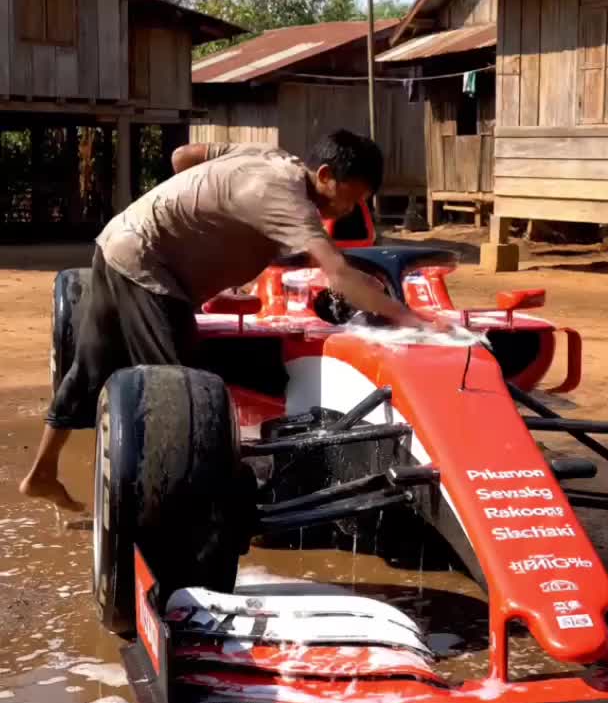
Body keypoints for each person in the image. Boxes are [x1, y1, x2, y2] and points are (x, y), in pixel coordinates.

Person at [20, 130, 428, 512]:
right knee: (182, 390)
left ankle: (42, 472)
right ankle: (183, 509)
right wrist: (409, 318)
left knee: (90, 367)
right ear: (324, 175)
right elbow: (336, 274)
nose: (349, 210)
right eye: (351, 198)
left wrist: (191, 224)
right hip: (149, 268)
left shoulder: (268, 157)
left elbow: (183, 157)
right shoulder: (290, 201)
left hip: (119, 239)